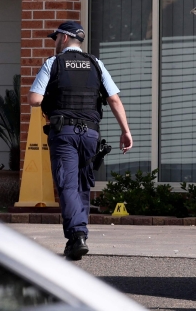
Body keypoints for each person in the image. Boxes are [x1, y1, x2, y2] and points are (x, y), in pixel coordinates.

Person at [28, 21, 133, 261]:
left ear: (64, 39)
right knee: (83, 185)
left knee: (67, 185)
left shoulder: (53, 64)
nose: (54, 43)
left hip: (64, 134)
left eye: (55, 38)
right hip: (90, 136)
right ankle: (79, 235)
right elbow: (114, 100)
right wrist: (125, 131)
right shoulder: (97, 64)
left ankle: (77, 235)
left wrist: (43, 95)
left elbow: (35, 99)